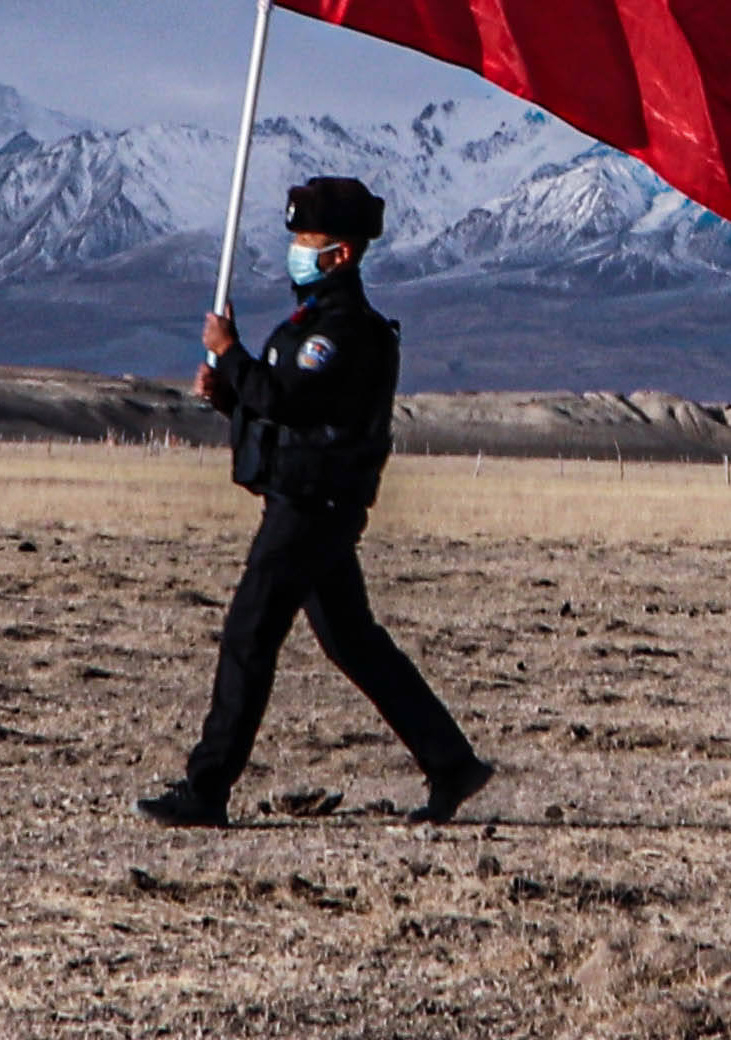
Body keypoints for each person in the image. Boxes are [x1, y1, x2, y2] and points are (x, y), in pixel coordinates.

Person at [140, 174, 497, 828]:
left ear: (342, 254)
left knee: (251, 633)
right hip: (305, 502)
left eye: (308, 239)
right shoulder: (305, 326)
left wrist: (232, 355)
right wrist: (228, 393)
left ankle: (207, 788)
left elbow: (291, 399)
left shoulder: (346, 331)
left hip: (312, 507)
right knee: (353, 642)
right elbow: (278, 412)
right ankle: (451, 763)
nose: (296, 250)